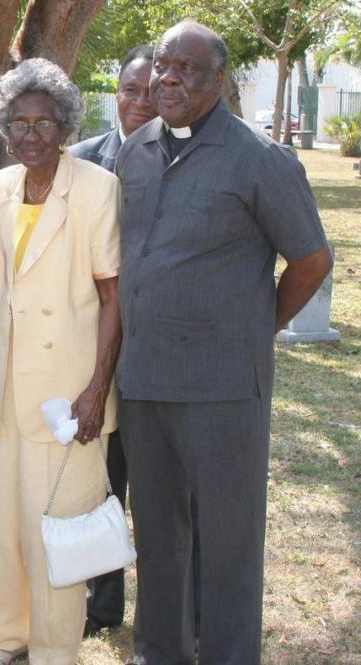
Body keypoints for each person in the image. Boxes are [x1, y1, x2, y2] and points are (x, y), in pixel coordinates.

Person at [115, 21, 332, 665]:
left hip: (223, 389)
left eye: (185, 68)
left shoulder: (260, 159)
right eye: (161, 65)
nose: (168, 78)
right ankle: (160, 653)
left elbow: (312, 261)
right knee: (157, 536)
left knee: (229, 541)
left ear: (217, 80)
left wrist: (253, 327)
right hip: (145, 380)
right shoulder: (137, 150)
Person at [0, 58, 122, 665]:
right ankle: (9, 638)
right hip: (5, 389)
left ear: (64, 127)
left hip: (67, 395)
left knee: (58, 531)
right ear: (5, 128)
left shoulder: (95, 187)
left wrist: (95, 390)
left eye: (43, 123)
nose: (30, 135)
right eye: (19, 123)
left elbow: (114, 297)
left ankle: (56, 650)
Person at [68, 43, 156, 637]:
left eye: (154, 92)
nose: (141, 102)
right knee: (98, 481)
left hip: (154, 351)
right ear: (115, 93)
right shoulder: (79, 160)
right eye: (131, 90)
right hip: (90, 343)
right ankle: (101, 606)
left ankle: (167, 609)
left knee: (150, 486)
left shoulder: (185, 161)